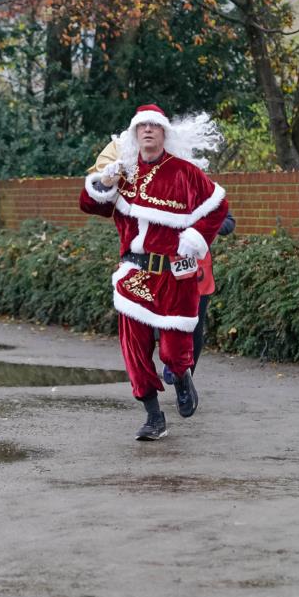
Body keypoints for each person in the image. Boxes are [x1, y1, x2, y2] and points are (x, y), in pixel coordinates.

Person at [79, 104, 228, 440]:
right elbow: (90, 205)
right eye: (142, 126)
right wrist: (103, 182)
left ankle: (181, 375)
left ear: (164, 134)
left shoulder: (184, 173)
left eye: (154, 127)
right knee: (134, 350)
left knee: (173, 350)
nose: (148, 131)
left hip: (175, 276)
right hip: (133, 274)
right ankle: (153, 416)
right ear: (135, 134)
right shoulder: (124, 172)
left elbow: (219, 207)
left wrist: (194, 238)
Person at [162, 210, 236, 385]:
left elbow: (228, 221)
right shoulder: (160, 188)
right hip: (166, 268)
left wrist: (204, 229)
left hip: (198, 270)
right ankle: (171, 360)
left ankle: (185, 380)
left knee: (194, 326)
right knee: (167, 322)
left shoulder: (205, 191)